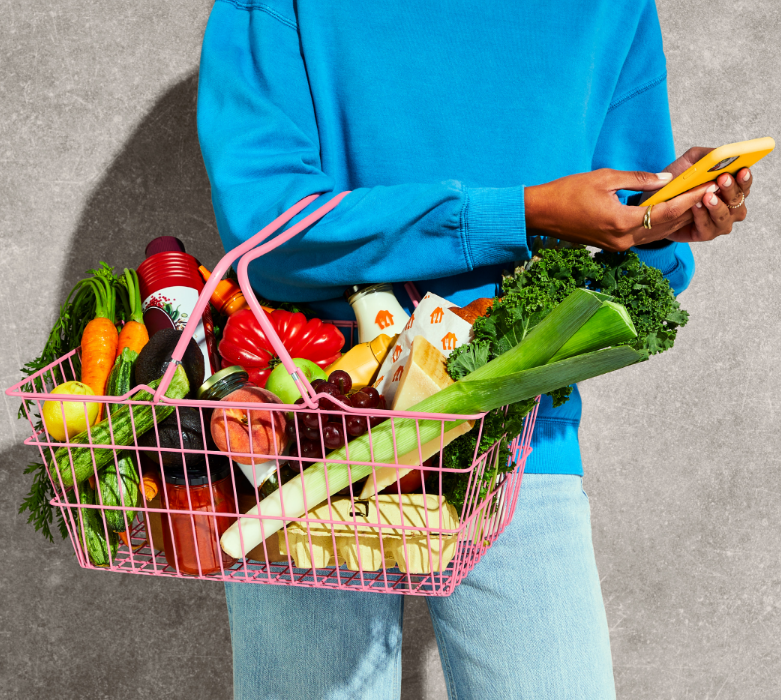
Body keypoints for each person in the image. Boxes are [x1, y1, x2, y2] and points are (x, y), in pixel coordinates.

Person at [197, 1, 754, 698]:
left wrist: (664, 222)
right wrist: (519, 213)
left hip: (516, 440)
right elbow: (264, 228)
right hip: (309, 440)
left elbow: (634, 271)